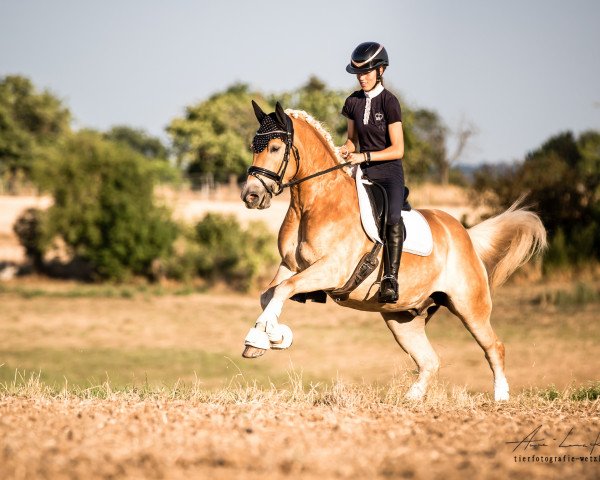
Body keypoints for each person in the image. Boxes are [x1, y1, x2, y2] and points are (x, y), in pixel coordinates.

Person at [339, 41, 406, 304]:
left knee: (391, 219)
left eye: (366, 72)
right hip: (362, 174)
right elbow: (351, 141)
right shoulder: (352, 102)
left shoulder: (390, 102)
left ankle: (390, 278)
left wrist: (364, 156)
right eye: (358, 73)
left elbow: (398, 149)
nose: (361, 78)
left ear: (381, 71)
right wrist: (344, 150)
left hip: (389, 175)